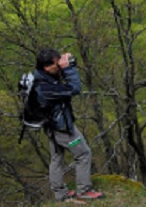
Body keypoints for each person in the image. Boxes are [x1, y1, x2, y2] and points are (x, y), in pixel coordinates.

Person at [33, 48, 105, 202]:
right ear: (46, 67)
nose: (59, 65)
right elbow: (74, 88)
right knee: (83, 154)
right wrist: (68, 70)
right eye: (56, 64)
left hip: (52, 127)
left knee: (57, 157)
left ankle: (60, 194)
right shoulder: (45, 87)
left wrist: (61, 67)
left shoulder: (41, 78)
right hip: (62, 129)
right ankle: (84, 190)